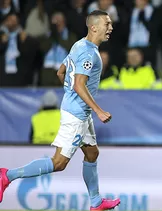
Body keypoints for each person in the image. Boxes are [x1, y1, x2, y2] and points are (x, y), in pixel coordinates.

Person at [0, 10, 121, 211]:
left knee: (92, 153)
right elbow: (79, 85)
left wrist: (72, 94)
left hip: (79, 111)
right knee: (59, 163)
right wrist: (98, 110)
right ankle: (7, 175)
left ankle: (96, 202)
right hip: (76, 115)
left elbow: (61, 72)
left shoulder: (78, 44)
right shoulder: (89, 53)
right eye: (107, 24)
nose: (111, 28)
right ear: (94, 27)